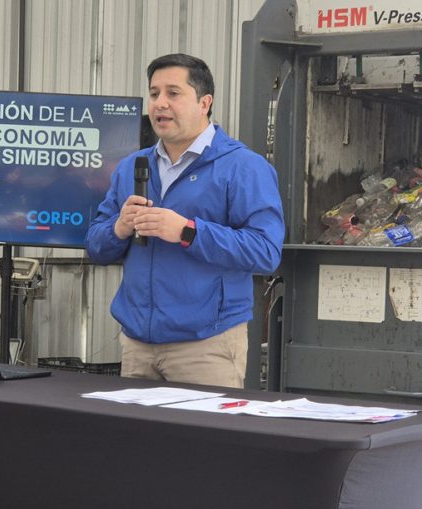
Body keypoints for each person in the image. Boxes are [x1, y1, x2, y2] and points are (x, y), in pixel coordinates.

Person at [85, 53, 284, 388]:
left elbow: (265, 251)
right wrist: (118, 228)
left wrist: (187, 232)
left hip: (206, 346)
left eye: (173, 93)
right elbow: (95, 246)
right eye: (154, 93)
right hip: (137, 345)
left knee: (200, 427)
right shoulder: (132, 167)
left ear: (204, 102)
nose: (160, 103)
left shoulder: (243, 167)